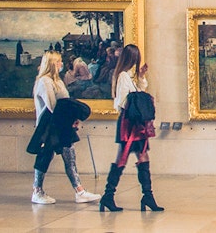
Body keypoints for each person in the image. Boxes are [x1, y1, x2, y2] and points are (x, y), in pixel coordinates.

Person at [29, 51, 100, 205]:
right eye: (59, 61)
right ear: (52, 63)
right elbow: (53, 106)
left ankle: (80, 191)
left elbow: (66, 102)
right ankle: (37, 190)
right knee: (45, 157)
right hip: (50, 125)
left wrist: (73, 118)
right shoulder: (44, 81)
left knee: (70, 157)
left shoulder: (58, 81)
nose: (62, 64)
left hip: (61, 124)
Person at [99, 43, 163, 213]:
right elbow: (121, 101)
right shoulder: (122, 76)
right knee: (123, 157)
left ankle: (147, 195)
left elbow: (138, 92)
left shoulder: (128, 76)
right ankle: (108, 195)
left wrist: (141, 76)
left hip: (135, 123)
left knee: (142, 155)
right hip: (129, 123)